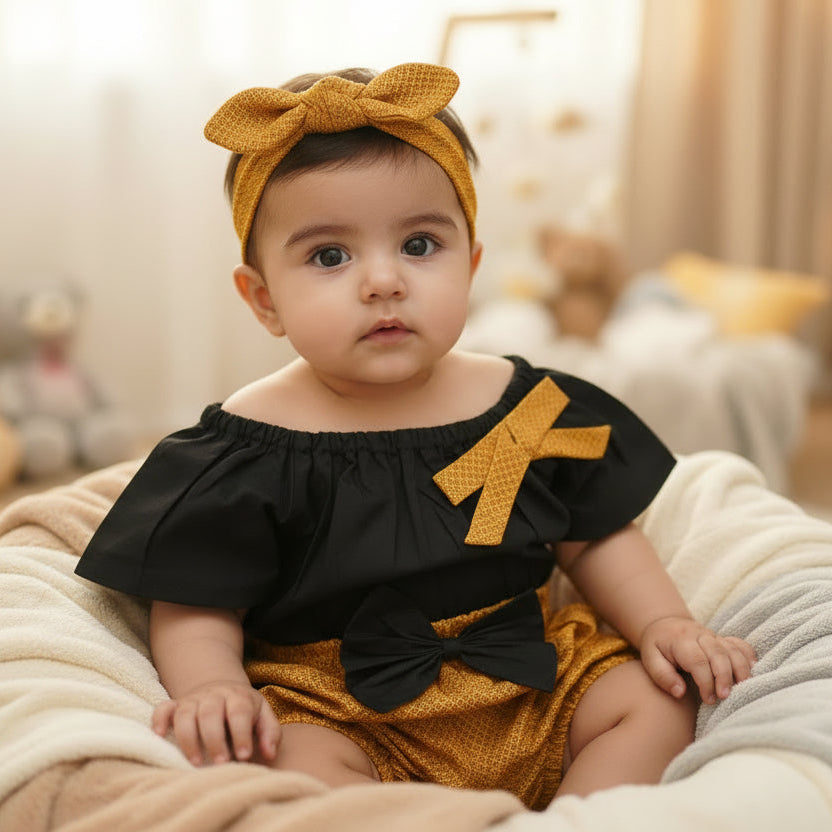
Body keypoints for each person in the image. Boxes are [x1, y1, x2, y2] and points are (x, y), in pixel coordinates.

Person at [75, 63, 756, 809]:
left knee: (654, 700)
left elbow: (593, 537)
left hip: (532, 680)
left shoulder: (525, 406)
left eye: (420, 246)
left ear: (471, 264)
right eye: (330, 256)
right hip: (343, 709)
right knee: (283, 758)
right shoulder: (251, 446)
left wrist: (664, 623)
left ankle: (580, 820)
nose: (383, 281)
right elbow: (200, 597)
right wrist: (213, 687)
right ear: (265, 299)